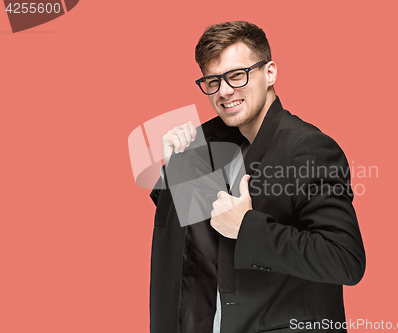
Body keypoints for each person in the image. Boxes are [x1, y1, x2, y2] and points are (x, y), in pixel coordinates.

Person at [149, 21, 365, 333]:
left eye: (237, 76)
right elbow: (198, 242)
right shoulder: (211, 143)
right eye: (212, 81)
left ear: (270, 73)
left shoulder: (308, 147)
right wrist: (178, 167)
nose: (224, 91)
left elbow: (344, 259)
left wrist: (246, 227)